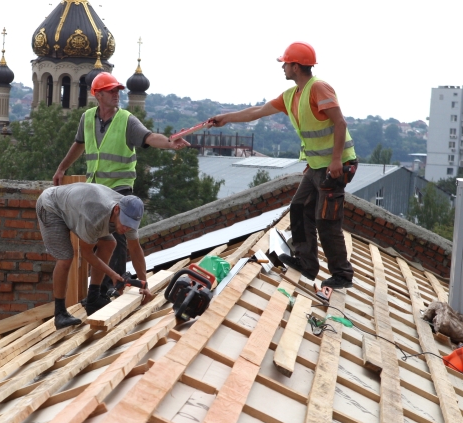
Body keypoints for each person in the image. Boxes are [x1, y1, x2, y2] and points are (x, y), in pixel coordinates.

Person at [207, 42, 357, 298]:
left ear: (296, 66)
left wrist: (334, 160)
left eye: (285, 64)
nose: (283, 68)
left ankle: (342, 275)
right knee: (299, 208)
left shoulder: (318, 88)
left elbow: (340, 122)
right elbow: (257, 111)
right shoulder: (291, 95)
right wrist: (227, 117)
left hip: (336, 165)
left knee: (326, 219)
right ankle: (307, 264)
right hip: (317, 167)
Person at [52, 72, 188, 313]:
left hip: (119, 189)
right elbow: (79, 144)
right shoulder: (87, 118)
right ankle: (98, 291)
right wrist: (63, 167)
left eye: (118, 91)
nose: (117, 95)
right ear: (98, 95)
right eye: (112, 91)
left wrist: (169, 143)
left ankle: (107, 290)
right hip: (94, 190)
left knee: (118, 238)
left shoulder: (126, 120)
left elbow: (149, 137)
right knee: (97, 241)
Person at [35, 182, 154, 329]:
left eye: (130, 225)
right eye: (125, 223)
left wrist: (144, 284)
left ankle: (93, 299)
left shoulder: (128, 214)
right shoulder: (95, 216)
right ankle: (60, 313)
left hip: (76, 206)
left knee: (110, 243)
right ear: (117, 209)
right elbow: (87, 253)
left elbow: (135, 249)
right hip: (52, 206)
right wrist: (112, 274)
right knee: (66, 258)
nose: (126, 228)